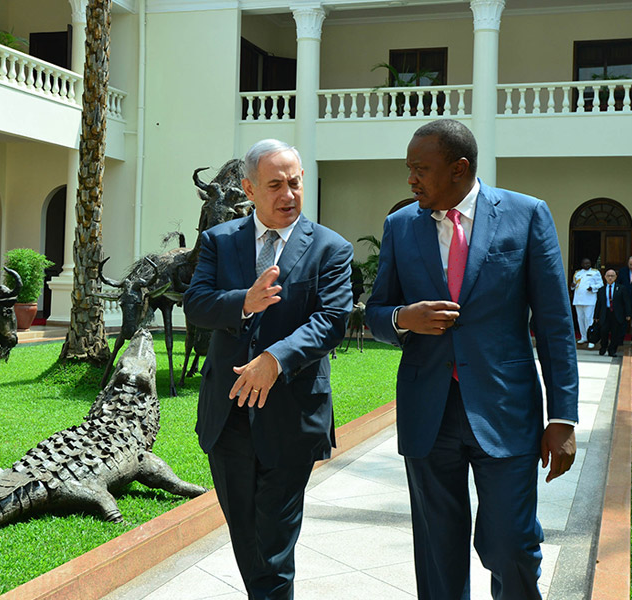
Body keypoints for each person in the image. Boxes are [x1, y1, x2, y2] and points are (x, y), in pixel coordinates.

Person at [365, 119, 578, 600]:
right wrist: (404, 317)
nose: (411, 179)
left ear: (459, 168)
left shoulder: (526, 216)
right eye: (409, 169)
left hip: (507, 411)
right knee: (438, 553)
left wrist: (562, 418)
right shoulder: (400, 226)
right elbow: (376, 312)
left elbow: (554, 325)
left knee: (511, 544)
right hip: (428, 413)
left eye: (421, 168)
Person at [183, 139, 353, 599]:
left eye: (295, 183)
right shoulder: (220, 241)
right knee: (247, 539)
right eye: (275, 185)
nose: (289, 195)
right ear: (249, 188)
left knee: (274, 546)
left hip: (292, 417)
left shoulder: (331, 249)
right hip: (229, 416)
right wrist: (243, 301)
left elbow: (332, 321)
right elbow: (196, 304)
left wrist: (274, 361)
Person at [594, 269, 631, 357]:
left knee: (615, 333)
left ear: (615, 277)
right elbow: (598, 303)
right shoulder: (601, 290)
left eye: (612, 276)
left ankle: (612, 350)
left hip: (616, 314)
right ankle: (603, 347)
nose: (610, 278)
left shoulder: (621, 288)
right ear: (605, 277)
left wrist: (628, 314)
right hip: (605, 313)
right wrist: (596, 316)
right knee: (604, 331)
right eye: (608, 276)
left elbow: (626, 302)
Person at [571, 257, 603, 348]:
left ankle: (591, 339)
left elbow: (600, 284)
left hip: (590, 300)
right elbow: (574, 286)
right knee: (580, 319)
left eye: (588, 263)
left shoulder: (595, 272)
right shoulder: (577, 273)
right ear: (582, 264)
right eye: (585, 263)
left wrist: (592, 288)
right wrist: (572, 286)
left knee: (589, 319)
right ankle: (583, 337)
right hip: (578, 300)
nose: (587, 265)